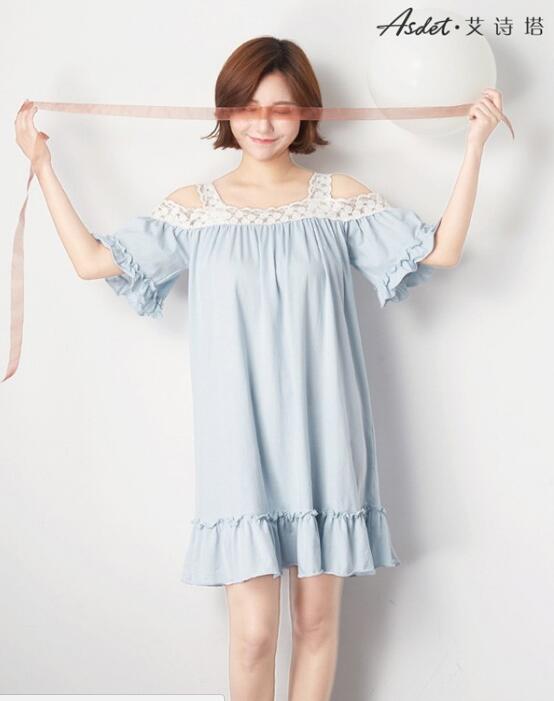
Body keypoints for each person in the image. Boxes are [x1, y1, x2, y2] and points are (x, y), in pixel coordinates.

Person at [15, 35, 503, 701]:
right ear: (226, 112)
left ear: (307, 113)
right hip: (238, 444)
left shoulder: (338, 199)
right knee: (251, 636)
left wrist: (474, 145)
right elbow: (93, 262)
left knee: (316, 622)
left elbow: (440, 251)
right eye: (247, 107)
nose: (264, 123)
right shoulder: (196, 210)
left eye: (281, 107)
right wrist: (42, 165)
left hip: (326, 436)